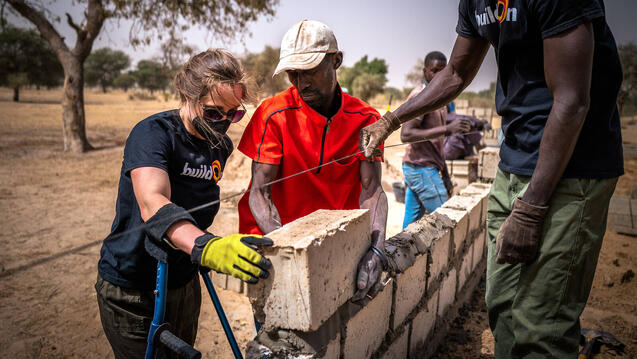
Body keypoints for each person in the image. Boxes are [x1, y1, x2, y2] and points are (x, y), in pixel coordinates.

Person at [359, 1, 623, 357]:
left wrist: (530, 210)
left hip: (571, 169)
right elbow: (455, 72)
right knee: (502, 305)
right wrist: (390, 120)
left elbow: (573, 100)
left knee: (541, 325)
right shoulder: (474, 3)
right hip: (514, 162)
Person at [96, 49, 273, 358]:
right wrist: (206, 246)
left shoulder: (221, 146)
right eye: (214, 113)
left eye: (234, 114)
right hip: (132, 288)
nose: (223, 124)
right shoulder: (153, 134)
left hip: (183, 282)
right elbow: (153, 202)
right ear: (188, 96)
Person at [238, 20, 389, 304]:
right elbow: (260, 193)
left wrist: (376, 249)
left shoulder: (366, 120)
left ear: (336, 60)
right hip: (273, 242)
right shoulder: (273, 114)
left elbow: (371, 190)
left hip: (334, 246)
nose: (301, 81)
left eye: (309, 70)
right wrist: (288, 251)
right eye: (292, 73)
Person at [400, 51, 470, 229]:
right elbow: (406, 134)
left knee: (409, 229)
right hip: (421, 168)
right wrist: (448, 128)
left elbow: (436, 144)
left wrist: (445, 173)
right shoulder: (420, 97)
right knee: (448, 222)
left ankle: (399, 256)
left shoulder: (440, 98)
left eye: (442, 71)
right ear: (425, 71)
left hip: (425, 167)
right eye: (434, 71)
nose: (438, 75)